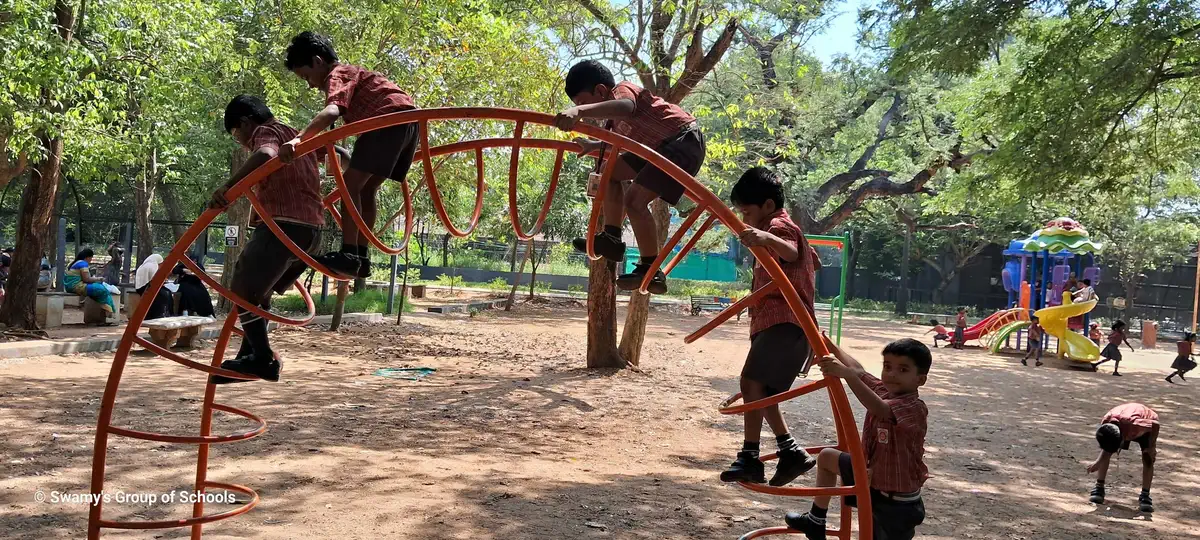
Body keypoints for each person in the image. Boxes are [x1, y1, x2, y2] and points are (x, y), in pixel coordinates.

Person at [554, 60, 706, 295]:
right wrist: (593, 145)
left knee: (635, 201)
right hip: (654, 148)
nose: (584, 112)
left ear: (602, 91)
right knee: (610, 173)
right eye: (579, 105)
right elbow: (621, 144)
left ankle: (651, 268)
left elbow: (626, 107)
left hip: (681, 141)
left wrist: (578, 112)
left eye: (584, 101)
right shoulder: (613, 122)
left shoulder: (622, 91)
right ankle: (612, 238)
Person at [207, 94, 329, 384]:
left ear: (246, 122)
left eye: (237, 135)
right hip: (312, 231)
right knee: (257, 293)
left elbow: (265, 155)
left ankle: (262, 357)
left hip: (285, 226)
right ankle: (249, 357)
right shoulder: (294, 135)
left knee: (241, 288)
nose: (241, 142)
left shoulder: (267, 132)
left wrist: (228, 186)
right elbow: (337, 155)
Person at [280, 31, 418, 278]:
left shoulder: (338, 73)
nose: (310, 84)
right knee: (366, 189)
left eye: (306, 76)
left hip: (385, 122)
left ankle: (349, 253)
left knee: (349, 186)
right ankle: (361, 258)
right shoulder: (355, 75)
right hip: (407, 124)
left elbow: (333, 110)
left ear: (318, 61)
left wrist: (299, 138)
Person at [718, 167, 818, 488]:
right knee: (764, 393)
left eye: (747, 211)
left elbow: (791, 250)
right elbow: (810, 258)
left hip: (786, 322)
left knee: (751, 382)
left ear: (768, 205)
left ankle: (750, 457)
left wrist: (766, 237)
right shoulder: (772, 228)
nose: (744, 219)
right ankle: (791, 453)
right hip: (776, 324)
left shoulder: (778, 225)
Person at [784, 337, 931, 540]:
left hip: (896, 502)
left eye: (903, 370)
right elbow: (859, 371)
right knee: (827, 458)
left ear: (920, 380)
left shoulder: (914, 408)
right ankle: (816, 520)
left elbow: (879, 408)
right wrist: (831, 347)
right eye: (888, 367)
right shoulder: (884, 390)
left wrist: (847, 376)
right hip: (868, 477)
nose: (892, 375)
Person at [1088, 403, 1159, 513]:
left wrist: (1152, 446)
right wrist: (1098, 462)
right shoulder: (1106, 423)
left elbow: (1155, 425)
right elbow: (1107, 448)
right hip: (1123, 426)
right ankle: (1099, 487)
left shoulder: (1136, 424)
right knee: (1107, 450)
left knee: (1148, 458)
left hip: (1145, 429)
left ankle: (1145, 495)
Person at [63, 249, 116, 317]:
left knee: (97, 288)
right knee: (102, 289)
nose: (91, 260)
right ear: (87, 257)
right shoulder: (83, 264)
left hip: (69, 287)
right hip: (77, 287)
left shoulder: (73, 263)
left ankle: (107, 311)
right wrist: (99, 279)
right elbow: (86, 279)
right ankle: (109, 312)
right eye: (91, 258)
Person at [133, 254, 173, 320]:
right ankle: (162, 314)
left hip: (140, 288)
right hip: (146, 288)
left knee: (165, 292)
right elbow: (156, 280)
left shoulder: (143, 266)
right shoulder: (153, 266)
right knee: (165, 294)